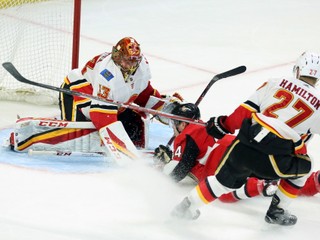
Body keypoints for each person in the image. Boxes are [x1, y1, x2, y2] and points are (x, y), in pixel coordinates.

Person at [171, 51, 320, 225]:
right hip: (274, 160)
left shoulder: (275, 83)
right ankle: (276, 211)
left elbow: (243, 113)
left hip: (245, 145)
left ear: (298, 70)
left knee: (221, 182)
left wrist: (222, 125)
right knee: (305, 167)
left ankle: (184, 207)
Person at [154, 103, 319, 203]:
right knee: (276, 175)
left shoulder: (187, 132)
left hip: (221, 159)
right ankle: (315, 182)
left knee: (224, 191)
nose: (174, 128)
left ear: (181, 124)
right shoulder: (206, 127)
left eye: (174, 123)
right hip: (241, 145)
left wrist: (162, 170)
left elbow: (182, 168)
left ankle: (263, 186)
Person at [59, 36, 181, 149]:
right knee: (78, 138)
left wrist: (174, 111)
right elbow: (101, 115)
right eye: (126, 61)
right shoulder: (107, 73)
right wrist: (121, 145)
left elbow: (144, 95)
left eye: (133, 61)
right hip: (77, 91)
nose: (129, 65)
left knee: (135, 120)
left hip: (110, 101)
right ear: (118, 56)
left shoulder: (142, 66)